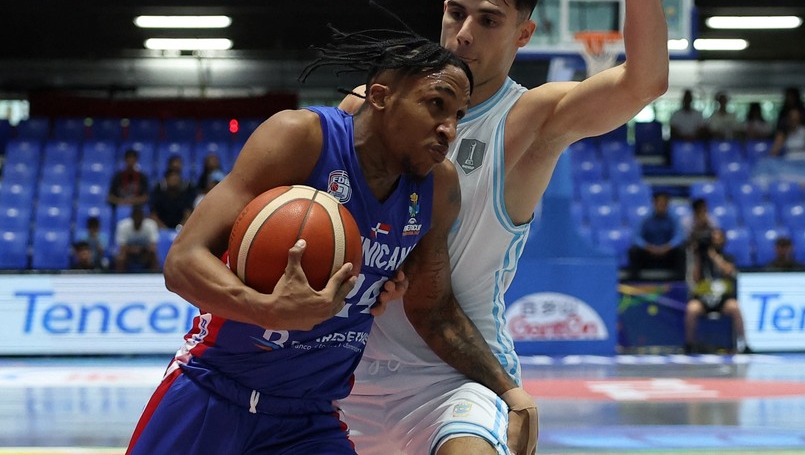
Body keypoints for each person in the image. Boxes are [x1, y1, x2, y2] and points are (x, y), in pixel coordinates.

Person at [341, 0, 669, 452]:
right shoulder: (370, 103)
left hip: (458, 378)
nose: (463, 35)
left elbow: (644, 81)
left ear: (524, 34)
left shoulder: (530, 119)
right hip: (344, 366)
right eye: (455, 12)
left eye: (487, 21)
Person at [127, 25, 522, 454]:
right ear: (381, 95)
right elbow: (182, 260)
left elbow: (434, 310)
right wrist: (267, 309)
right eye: (436, 105)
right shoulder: (301, 138)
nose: (448, 129)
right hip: (213, 389)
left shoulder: (438, 190)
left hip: (309, 418)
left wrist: (510, 392)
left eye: (458, 115)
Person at [684, 228, 749, 354]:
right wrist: (699, 257)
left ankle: (744, 344)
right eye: (713, 237)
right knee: (691, 309)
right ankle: (690, 344)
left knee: (735, 307)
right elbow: (695, 279)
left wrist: (713, 256)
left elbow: (729, 271)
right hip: (703, 299)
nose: (715, 240)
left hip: (722, 299)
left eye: (718, 237)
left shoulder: (727, 257)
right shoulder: (699, 258)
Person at [627, 192, 686, 282]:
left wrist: (668, 246)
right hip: (649, 254)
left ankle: (678, 283)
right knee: (633, 251)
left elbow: (680, 236)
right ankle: (635, 282)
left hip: (667, 254)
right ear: (654, 203)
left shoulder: (674, 218)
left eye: (664, 204)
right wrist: (648, 247)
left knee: (681, 250)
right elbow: (636, 237)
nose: (661, 206)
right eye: (659, 203)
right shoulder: (645, 219)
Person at [114, 204, 160, 273]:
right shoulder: (123, 226)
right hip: (129, 253)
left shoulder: (151, 225)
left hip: (144, 253)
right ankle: (119, 278)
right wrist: (132, 249)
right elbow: (122, 248)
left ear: (143, 217)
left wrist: (141, 249)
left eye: (139, 217)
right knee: (121, 257)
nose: (138, 219)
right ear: (132, 217)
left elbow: (153, 247)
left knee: (153, 254)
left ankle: (154, 276)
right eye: (136, 217)